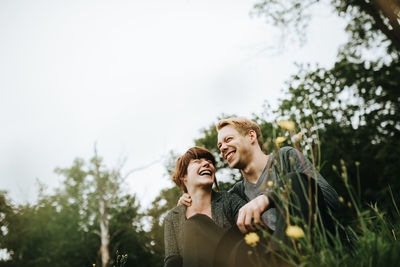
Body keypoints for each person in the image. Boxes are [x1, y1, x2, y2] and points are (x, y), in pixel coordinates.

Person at [179, 117, 339, 246]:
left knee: (295, 180)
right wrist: (190, 207)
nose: (222, 148)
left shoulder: (285, 157)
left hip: (318, 245)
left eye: (228, 139)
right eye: (220, 145)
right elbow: (218, 236)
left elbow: (330, 199)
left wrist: (269, 198)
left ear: (251, 136)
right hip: (270, 256)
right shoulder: (236, 194)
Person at [164, 146, 247, 267]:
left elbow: (251, 225)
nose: (207, 164)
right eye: (197, 162)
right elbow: (172, 261)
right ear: (183, 176)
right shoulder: (172, 217)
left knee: (195, 224)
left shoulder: (229, 200)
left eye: (209, 162)